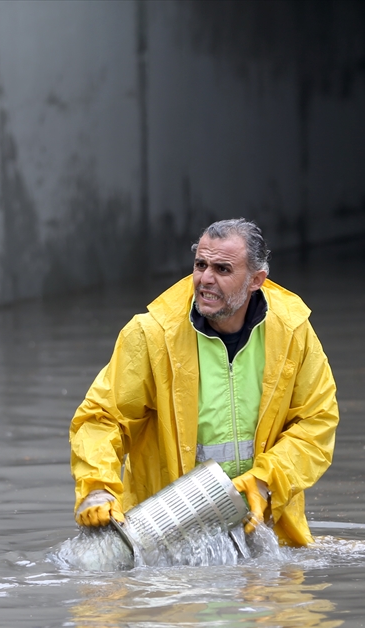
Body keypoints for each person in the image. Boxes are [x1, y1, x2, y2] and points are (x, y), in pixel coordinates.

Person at [69, 219, 339, 547]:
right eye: (200, 264)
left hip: (265, 535)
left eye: (222, 269)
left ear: (257, 280)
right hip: (164, 537)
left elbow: (316, 423)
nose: (205, 279)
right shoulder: (152, 335)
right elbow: (102, 419)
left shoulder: (292, 331)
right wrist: (97, 489)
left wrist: (266, 481)